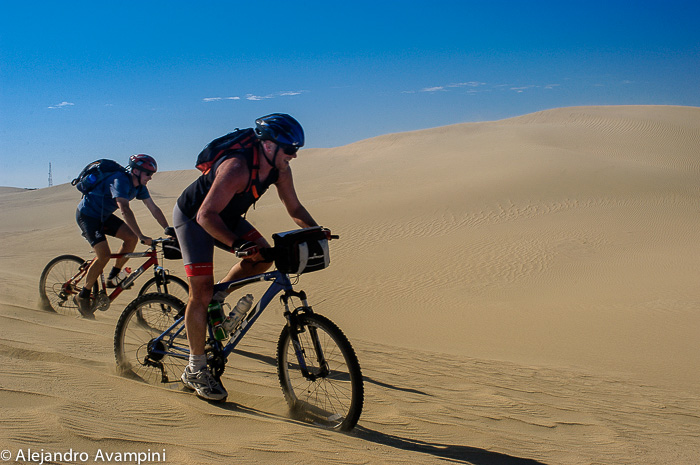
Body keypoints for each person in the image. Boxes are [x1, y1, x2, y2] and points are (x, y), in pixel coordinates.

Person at [173, 113, 319, 401]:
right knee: (199, 292)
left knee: (263, 258)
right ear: (268, 146)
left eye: (296, 150)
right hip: (195, 218)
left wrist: (315, 232)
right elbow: (205, 215)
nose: (294, 156)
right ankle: (195, 369)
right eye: (289, 149)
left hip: (224, 215)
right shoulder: (237, 167)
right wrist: (237, 244)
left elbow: (295, 208)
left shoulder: (280, 170)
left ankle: (221, 293)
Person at [74, 154, 171, 318]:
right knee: (104, 255)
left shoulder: (139, 187)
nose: (150, 178)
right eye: (148, 174)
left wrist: (168, 229)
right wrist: (141, 235)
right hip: (88, 216)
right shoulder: (120, 180)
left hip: (103, 216)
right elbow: (124, 209)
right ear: (136, 171)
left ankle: (113, 277)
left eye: (151, 174)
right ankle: (83, 294)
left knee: (130, 238)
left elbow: (153, 208)